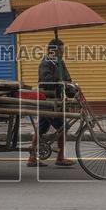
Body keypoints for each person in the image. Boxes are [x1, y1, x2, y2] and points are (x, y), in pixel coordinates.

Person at [27, 38, 76, 168]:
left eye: (62, 50)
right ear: (52, 51)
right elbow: (46, 80)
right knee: (63, 126)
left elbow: (67, 79)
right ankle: (60, 157)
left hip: (57, 101)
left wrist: (72, 89)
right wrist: (59, 80)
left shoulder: (61, 63)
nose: (62, 53)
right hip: (47, 101)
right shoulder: (45, 63)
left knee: (42, 128)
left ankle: (32, 158)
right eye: (60, 51)